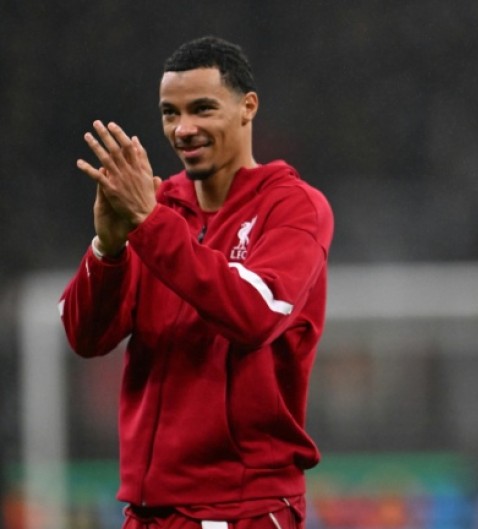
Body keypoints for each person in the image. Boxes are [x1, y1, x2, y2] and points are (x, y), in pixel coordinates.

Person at [59, 36, 334, 529]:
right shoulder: (158, 207)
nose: (183, 129)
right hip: (147, 512)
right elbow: (86, 337)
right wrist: (108, 249)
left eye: (202, 109)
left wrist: (149, 224)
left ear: (248, 107)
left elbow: (253, 315)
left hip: (239, 509)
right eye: (170, 113)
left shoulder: (293, 208)